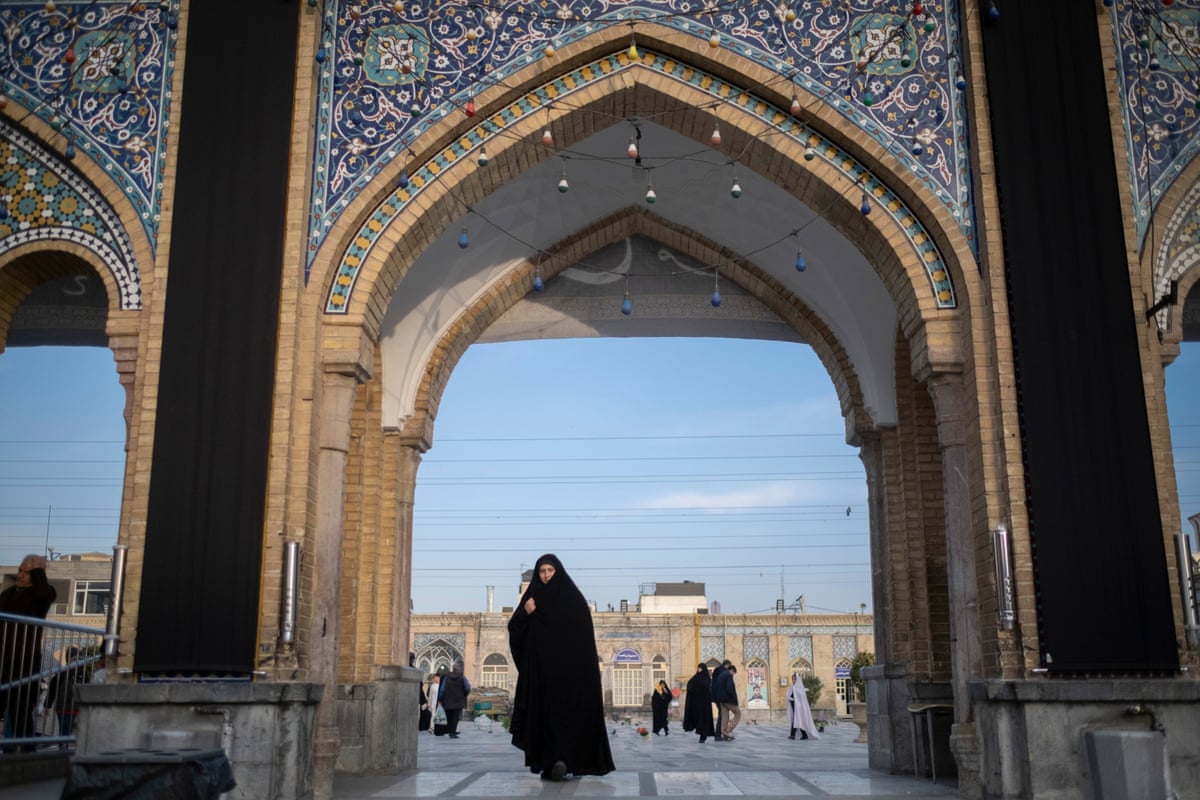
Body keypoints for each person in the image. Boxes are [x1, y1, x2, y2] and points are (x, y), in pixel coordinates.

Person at [508, 553, 614, 781]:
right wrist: (527, 615)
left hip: (569, 677)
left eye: (549, 571)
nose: (546, 576)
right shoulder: (532, 599)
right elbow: (515, 629)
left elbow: (581, 635)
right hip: (542, 677)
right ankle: (548, 762)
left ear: (558, 572)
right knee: (544, 719)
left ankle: (563, 761)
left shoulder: (572, 600)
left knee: (565, 718)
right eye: (542, 572)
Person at [0, 554, 57, 750]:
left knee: (21, 712)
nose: (21, 576)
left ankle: (26, 752)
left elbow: (43, 594)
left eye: (27, 572)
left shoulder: (42, 594)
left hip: (23, 660)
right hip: (2, 660)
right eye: (20, 571)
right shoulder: (7, 594)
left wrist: (38, 569)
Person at [46, 646, 94, 740]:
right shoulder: (62, 673)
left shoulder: (84, 674)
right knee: (64, 732)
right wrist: (47, 705)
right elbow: (52, 688)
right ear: (68, 659)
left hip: (78, 709)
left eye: (78, 659)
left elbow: (88, 691)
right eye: (73, 659)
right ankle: (63, 750)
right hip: (63, 709)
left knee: (77, 734)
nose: (76, 661)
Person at [681, 663, 715, 743]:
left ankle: (703, 736)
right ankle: (702, 734)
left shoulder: (707, 678)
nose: (699, 670)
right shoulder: (696, 678)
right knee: (699, 719)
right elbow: (689, 686)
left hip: (705, 704)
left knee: (704, 720)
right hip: (697, 704)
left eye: (700, 668)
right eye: (698, 668)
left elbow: (708, 689)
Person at [437, 661, 471, 739]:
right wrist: (465, 694)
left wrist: (440, 698)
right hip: (459, 700)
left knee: (449, 716)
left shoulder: (447, 677)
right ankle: (452, 732)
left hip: (448, 700)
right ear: (459, 669)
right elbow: (468, 687)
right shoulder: (462, 677)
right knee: (455, 717)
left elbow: (442, 689)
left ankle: (450, 730)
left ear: (452, 669)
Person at [711, 659, 740, 741]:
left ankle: (723, 734)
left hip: (718, 697)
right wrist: (733, 699)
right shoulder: (726, 674)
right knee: (736, 714)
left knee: (724, 716)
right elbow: (729, 688)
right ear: (727, 666)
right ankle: (724, 732)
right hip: (725, 698)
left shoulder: (717, 672)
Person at [786, 673, 821, 741]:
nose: (793, 680)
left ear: (797, 679)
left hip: (799, 707)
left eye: (794, 679)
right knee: (797, 720)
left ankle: (793, 735)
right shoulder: (792, 687)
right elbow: (789, 696)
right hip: (794, 705)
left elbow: (802, 697)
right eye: (792, 679)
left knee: (797, 720)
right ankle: (804, 735)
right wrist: (790, 698)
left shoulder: (799, 688)